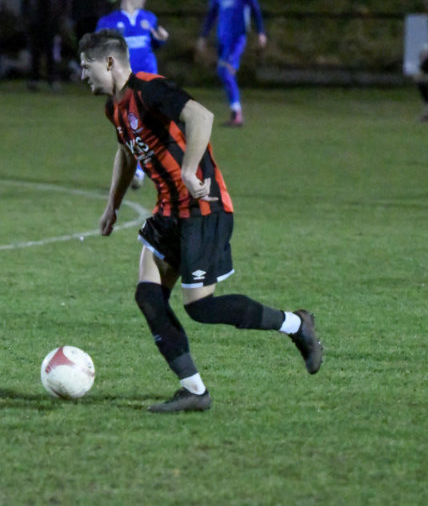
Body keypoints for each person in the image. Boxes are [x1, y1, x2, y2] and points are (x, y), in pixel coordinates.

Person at [78, 29, 322, 413]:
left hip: (202, 209)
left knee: (201, 307)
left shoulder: (149, 90)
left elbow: (200, 116)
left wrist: (190, 169)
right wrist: (113, 205)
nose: (82, 76)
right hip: (167, 212)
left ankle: (296, 324)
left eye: (86, 66)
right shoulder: (115, 108)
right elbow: (126, 153)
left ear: (109, 62)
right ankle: (194, 391)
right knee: (148, 296)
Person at [96, 0, 168, 189]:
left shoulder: (149, 18)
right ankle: (138, 169)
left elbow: (153, 43)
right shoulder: (108, 22)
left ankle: (138, 171)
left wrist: (161, 38)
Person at [197, 0, 267, 128]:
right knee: (224, 72)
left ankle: (237, 114)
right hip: (222, 38)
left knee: (225, 71)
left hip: (237, 37)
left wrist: (261, 32)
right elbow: (212, 13)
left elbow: (254, 7)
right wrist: (203, 36)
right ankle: (235, 112)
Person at [20, 0, 68, 91]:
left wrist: (61, 18)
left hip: (51, 21)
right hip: (35, 21)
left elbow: (64, 0)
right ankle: (34, 79)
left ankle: (52, 79)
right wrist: (26, 18)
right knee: (34, 51)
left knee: (51, 52)